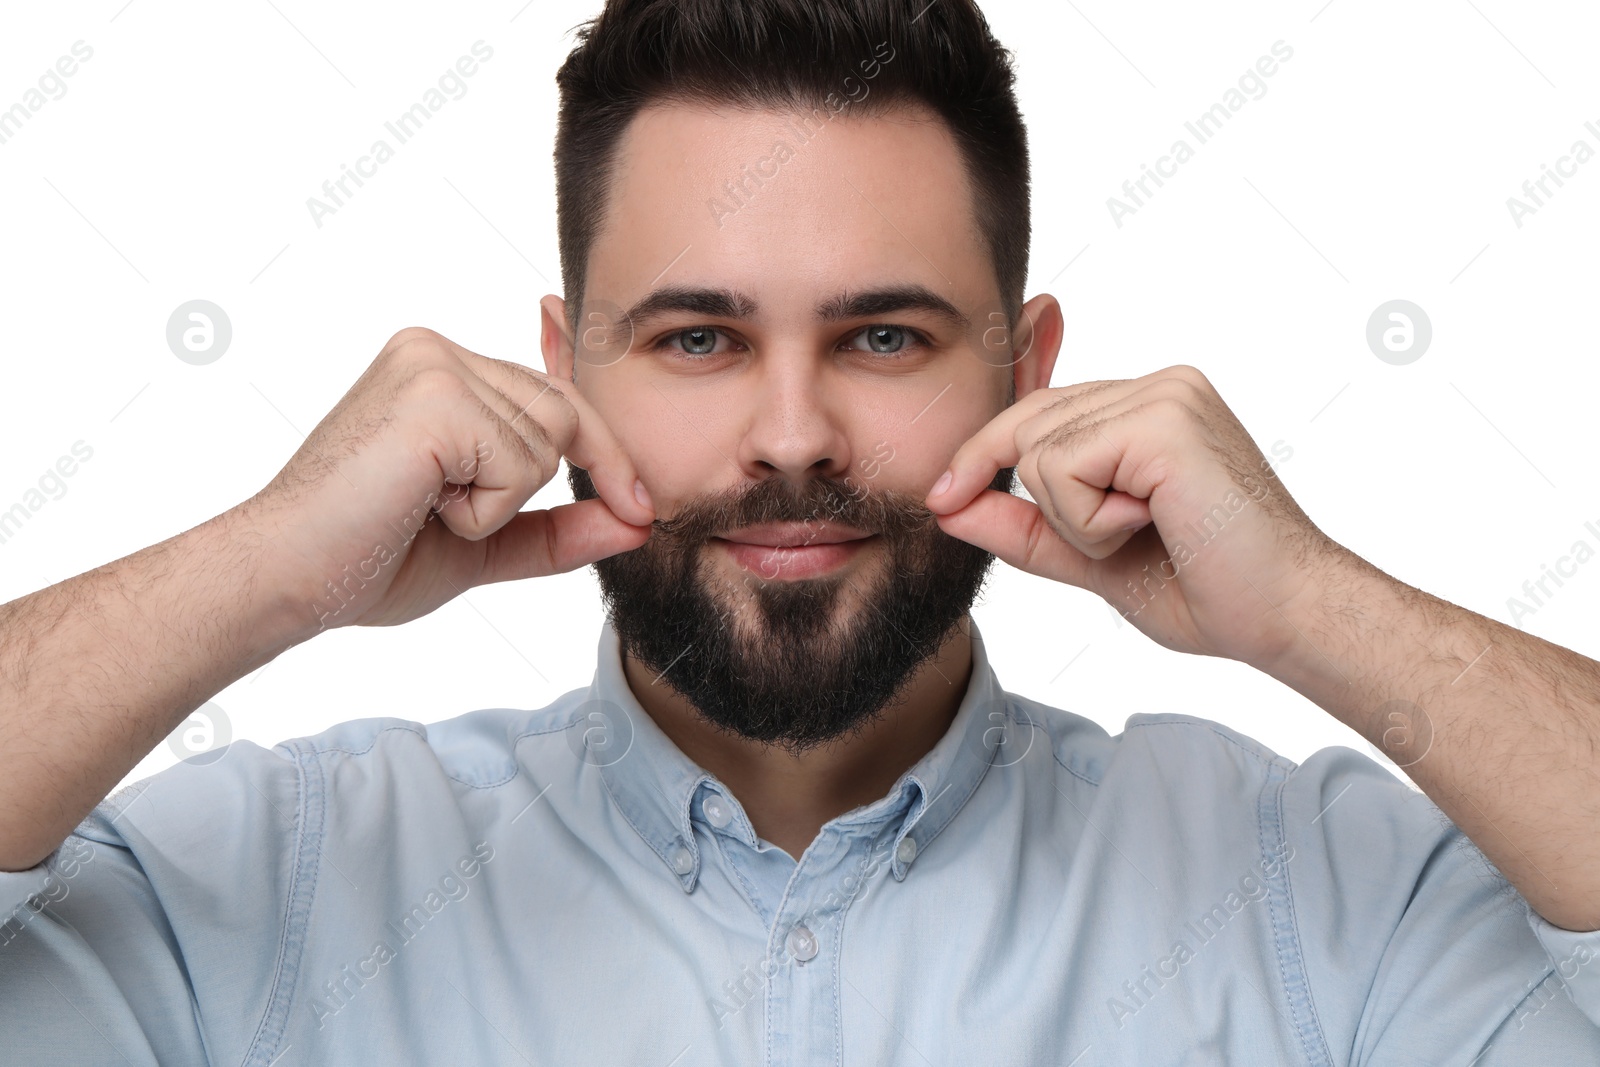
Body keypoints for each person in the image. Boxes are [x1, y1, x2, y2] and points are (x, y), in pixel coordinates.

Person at [2, 0, 1598, 1062]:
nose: (789, 438)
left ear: (1027, 375)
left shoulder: (1317, 900)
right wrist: (265, 568)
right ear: (561, 376)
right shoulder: (268, 890)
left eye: (885, 338)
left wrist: (1312, 604)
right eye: (696, 339)